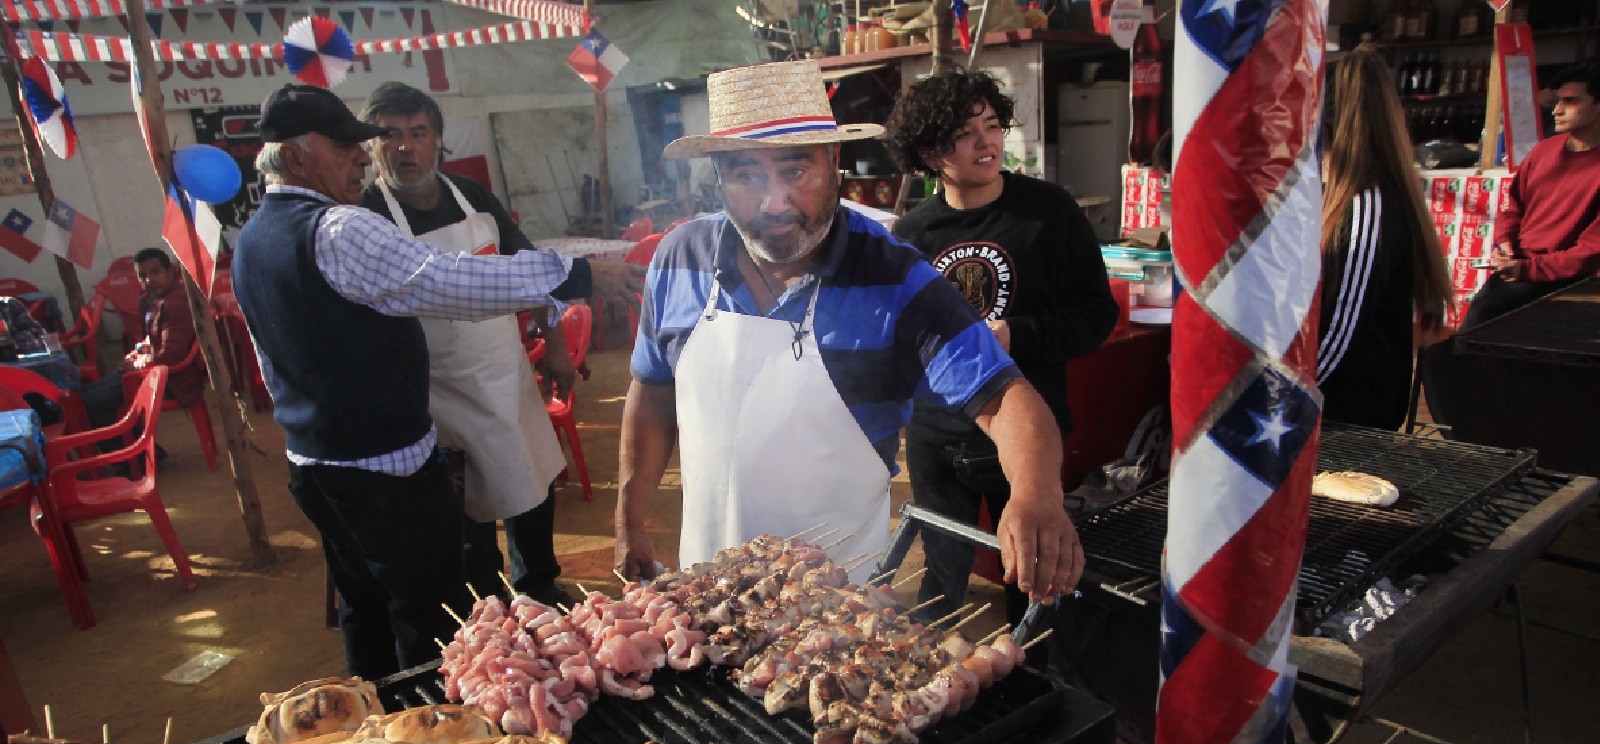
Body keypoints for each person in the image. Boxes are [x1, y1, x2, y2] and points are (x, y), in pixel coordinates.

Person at [615, 59, 1084, 606]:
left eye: (796, 171)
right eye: (746, 175)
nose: (775, 203)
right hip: (706, 588)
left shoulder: (895, 276)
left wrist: (1035, 492)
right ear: (716, 177)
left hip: (837, 619)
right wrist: (629, 518)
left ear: (834, 163)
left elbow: (1004, 399)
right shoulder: (679, 258)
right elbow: (652, 389)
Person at [231, 83, 642, 679]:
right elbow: (451, 284)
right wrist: (577, 274)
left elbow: (274, 363)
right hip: (384, 469)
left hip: (317, 464)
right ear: (294, 157)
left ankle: (380, 712)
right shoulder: (341, 228)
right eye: (346, 145)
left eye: (367, 142)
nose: (361, 156)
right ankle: (436, 731)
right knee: (431, 618)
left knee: (364, 605)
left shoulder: (251, 239)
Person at [883, 70, 1117, 624]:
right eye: (965, 133)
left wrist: (1017, 334)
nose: (986, 142)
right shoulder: (910, 235)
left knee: (1032, 580)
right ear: (930, 150)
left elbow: (1096, 316)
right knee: (939, 583)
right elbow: (896, 340)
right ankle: (935, 692)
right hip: (936, 440)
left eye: (993, 126)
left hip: (1027, 434)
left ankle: (1034, 682)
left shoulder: (1050, 213)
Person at [357, 82, 575, 605]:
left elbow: (528, 272)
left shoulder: (471, 197)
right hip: (434, 391)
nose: (405, 147)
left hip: (503, 370)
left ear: (437, 141)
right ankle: (486, 605)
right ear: (371, 147)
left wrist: (558, 345)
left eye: (418, 133)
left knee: (531, 481)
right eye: (389, 135)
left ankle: (537, 585)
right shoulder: (367, 216)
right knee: (465, 504)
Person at [1318, 46, 1451, 430]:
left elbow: (1338, 332)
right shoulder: (1332, 194)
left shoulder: (1365, 207)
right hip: (1322, 405)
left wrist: (1269, 397)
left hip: (1346, 420)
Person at [1465, 59, 1600, 328]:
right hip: (1519, 268)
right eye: (1558, 101)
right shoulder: (1543, 151)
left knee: (1482, 320)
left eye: (1571, 102)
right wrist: (1504, 242)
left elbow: (1591, 253)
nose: (1557, 111)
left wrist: (1526, 269)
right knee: (1473, 324)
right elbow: (1513, 208)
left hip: (1567, 279)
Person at [79, 248, 201, 448]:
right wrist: (138, 355)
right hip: (152, 371)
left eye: (155, 272)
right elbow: (151, 341)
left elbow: (171, 355)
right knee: (83, 395)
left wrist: (138, 367)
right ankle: (139, 453)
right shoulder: (149, 299)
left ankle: (132, 461)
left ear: (171, 271)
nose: (149, 280)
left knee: (90, 403)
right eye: (142, 275)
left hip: (172, 380)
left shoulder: (176, 301)